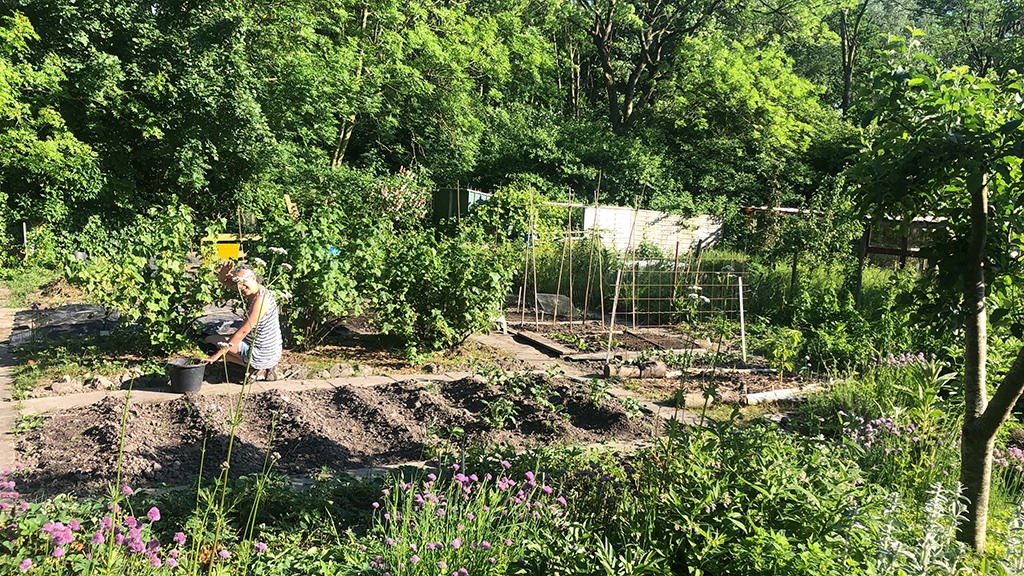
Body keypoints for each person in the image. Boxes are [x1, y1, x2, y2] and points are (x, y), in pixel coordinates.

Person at [202, 261, 282, 382]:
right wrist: (223, 273)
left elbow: (242, 332)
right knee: (216, 343)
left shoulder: (261, 300)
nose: (239, 287)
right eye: (237, 283)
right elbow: (223, 280)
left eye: (242, 282)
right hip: (263, 349)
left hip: (262, 352)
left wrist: (217, 355)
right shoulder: (253, 292)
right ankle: (255, 367)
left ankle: (257, 368)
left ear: (253, 278)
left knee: (211, 342)